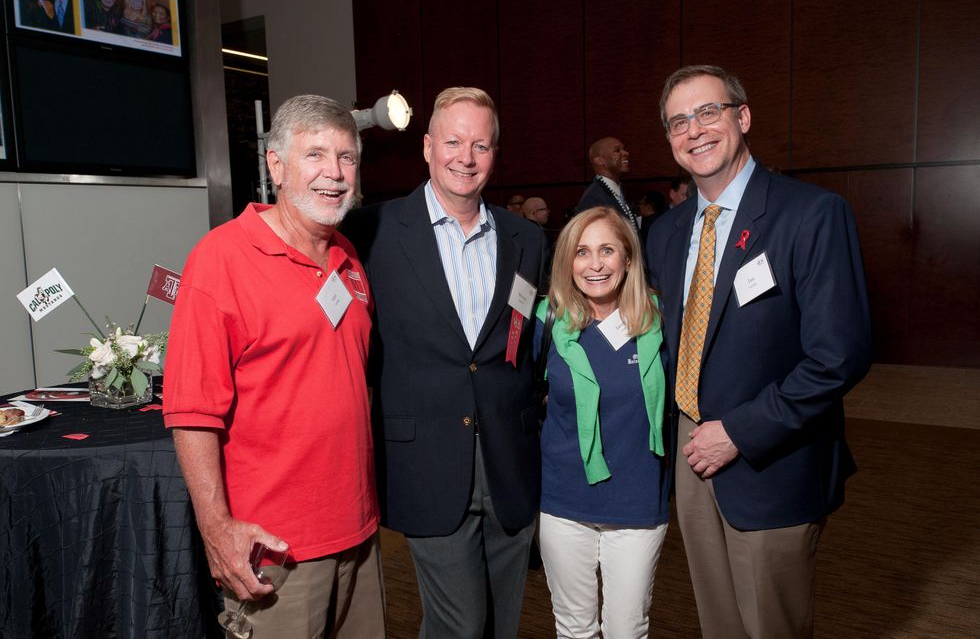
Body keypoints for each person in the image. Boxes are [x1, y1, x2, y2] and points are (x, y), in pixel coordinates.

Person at [646, 64, 871, 638]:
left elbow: (838, 356)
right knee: (718, 624)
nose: (694, 130)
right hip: (692, 459)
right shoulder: (667, 234)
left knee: (773, 627)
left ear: (742, 118)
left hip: (771, 459)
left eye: (708, 112)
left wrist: (739, 432)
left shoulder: (811, 214)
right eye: (678, 121)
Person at [163, 95, 385, 638]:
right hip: (274, 550)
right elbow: (192, 411)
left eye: (347, 157)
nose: (334, 173)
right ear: (276, 165)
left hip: (358, 533)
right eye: (315, 155)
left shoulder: (347, 256)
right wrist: (216, 529)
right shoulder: (220, 260)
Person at [343, 87, 546, 638]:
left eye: (481, 144)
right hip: (425, 461)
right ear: (428, 147)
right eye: (454, 142)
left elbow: (536, 342)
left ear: (495, 153)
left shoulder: (526, 238)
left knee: (502, 624)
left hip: (510, 459)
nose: (467, 157)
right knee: (460, 624)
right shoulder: (371, 232)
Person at [534, 206, 670, 638]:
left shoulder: (660, 320)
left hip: (636, 503)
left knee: (627, 629)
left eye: (607, 250)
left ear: (628, 258)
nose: (594, 264)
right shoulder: (547, 322)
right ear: (567, 262)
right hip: (564, 502)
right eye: (582, 252)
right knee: (574, 628)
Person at [574, 136, 637, 229]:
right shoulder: (593, 199)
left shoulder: (613, 192)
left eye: (624, 149)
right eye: (617, 150)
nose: (626, 153)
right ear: (600, 160)